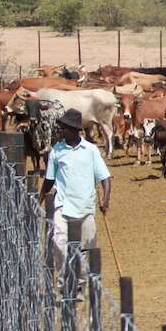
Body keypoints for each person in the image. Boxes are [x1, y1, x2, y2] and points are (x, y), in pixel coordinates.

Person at [39, 108, 111, 270]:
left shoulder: (91, 150)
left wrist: (106, 199)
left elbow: (105, 178)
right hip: (63, 207)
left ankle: (80, 282)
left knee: (86, 250)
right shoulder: (56, 151)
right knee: (59, 244)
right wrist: (39, 200)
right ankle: (65, 276)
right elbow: (49, 180)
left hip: (85, 208)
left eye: (64, 128)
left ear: (73, 130)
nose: (60, 131)